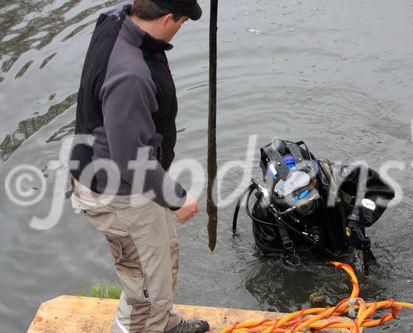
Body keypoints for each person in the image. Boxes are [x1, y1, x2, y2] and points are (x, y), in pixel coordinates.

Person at [69, 1, 209, 332]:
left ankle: (165, 324)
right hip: (118, 190)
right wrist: (177, 198)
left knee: (162, 258)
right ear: (165, 18)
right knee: (145, 289)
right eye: (182, 20)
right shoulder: (130, 75)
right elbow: (130, 159)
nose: (181, 27)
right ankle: (147, 323)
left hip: (133, 179)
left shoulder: (118, 17)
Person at [239, 138, 395, 259]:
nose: (300, 195)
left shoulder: (337, 176)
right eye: (284, 189)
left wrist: (359, 216)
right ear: (272, 192)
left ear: (316, 173)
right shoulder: (264, 213)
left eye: (302, 180)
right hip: (303, 256)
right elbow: (272, 262)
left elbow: (381, 190)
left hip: (342, 239)